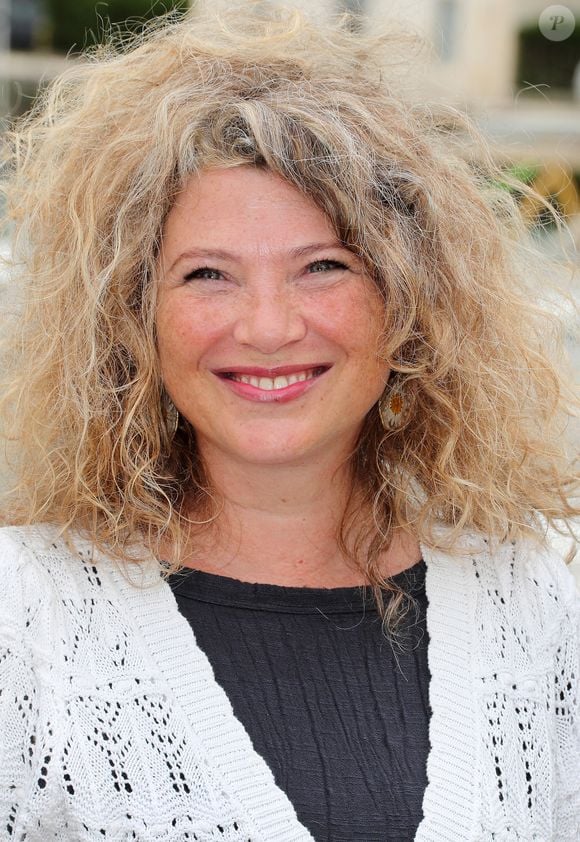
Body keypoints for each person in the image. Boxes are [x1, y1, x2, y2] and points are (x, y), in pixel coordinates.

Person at [0, 6, 578, 841]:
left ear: (407, 303)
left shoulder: (534, 607)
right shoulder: (28, 619)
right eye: (208, 275)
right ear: (132, 320)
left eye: (322, 268)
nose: (268, 327)